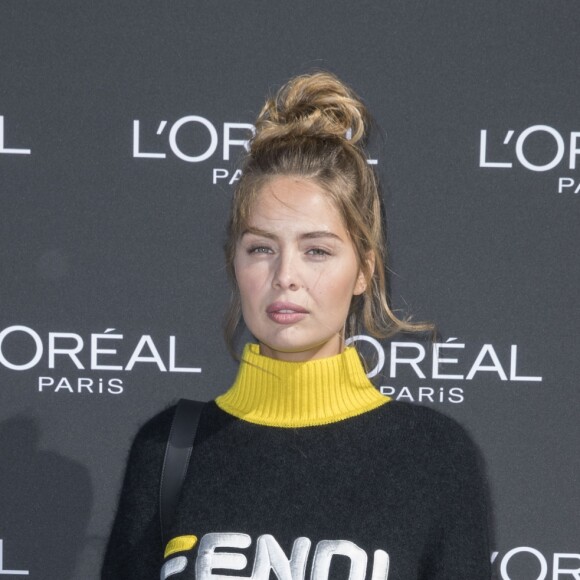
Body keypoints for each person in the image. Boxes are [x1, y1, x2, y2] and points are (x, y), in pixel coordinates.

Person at [102, 72, 491, 579]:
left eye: (317, 251)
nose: (285, 277)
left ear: (364, 271)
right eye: (262, 248)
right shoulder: (167, 450)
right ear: (234, 264)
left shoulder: (435, 459)